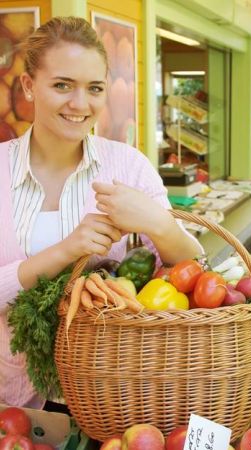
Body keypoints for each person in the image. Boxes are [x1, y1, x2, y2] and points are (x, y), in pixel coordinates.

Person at [0, 16, 203, 408]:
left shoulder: (128, 167)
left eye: (94, 88)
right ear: (29, 86)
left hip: (115, 392)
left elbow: (194, 272)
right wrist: (65, 251)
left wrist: (159, 224)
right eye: (62, 85)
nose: (80, 104)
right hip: (11, 400)